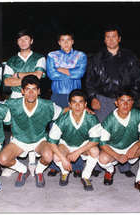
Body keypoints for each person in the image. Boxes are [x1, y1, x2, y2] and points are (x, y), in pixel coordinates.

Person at [85, 24, 140, 177]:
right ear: (104, 40)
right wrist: (93, 97)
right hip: (103, 100)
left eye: (114, 36)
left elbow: (136, 79)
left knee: (124, 131)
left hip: (123, 100)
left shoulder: (129, 56)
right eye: (108, 37)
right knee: (100, 131)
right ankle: (98, 164)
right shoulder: (97, 57)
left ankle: (125, 166)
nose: (111, 40)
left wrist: (130, 99)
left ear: (119, 38)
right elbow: (89, 80)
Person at [0, 75, 68, 188]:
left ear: (39, 91)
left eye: (34, 89)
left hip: (39, 140)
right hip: (19, 140)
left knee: (48, 156)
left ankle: (38, 171)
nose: (31, 93)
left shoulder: (46, 106)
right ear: (22, 91)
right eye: (27, 89)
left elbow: (63, 110)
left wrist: (81, 108)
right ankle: (23, 170)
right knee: (2, 159)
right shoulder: (12, 104)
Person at [3, 30, 46, 177]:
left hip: (32, 95)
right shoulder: (11, 60)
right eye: (20, 39)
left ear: (31, 41)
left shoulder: (39, 58)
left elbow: (38, 76)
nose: (23, 42)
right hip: (15, 96)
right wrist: (29, 77)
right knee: (15, 128)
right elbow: (7, 81)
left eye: (26, 39)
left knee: (33, 126)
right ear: (17, 42)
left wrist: (17, 75)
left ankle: (33, 162)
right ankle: (13, 162)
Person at [46, 30, 87, 177]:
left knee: (76, 128)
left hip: (75, 97)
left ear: (73, 41)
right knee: (54, 128)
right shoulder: (52, 55)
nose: (66, 43)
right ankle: (54, 165)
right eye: (62, 40)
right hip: (57, 96)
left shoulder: (80, 55)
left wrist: (60, 70)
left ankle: (77, 165)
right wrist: (71, 71)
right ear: (58, 42)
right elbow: (51, 74)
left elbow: (80, 73)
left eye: (68, 39)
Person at [98, 85, 140, 194]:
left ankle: (139, 180)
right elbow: (102, 143)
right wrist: (117, 155)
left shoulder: (139, 116)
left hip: (131, 149)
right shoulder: (109, 120)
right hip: (114, 149)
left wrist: (135, 147)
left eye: (129, 101)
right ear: (116, 103)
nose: (125, 104)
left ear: (133, 102)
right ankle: (110, 171)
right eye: (122, 101)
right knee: (102, 159)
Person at [48, 89, 101, 191]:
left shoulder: (91, 118)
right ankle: (64, 172)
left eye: (80, 102)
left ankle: (86, 176)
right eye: (74, 102)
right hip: (66, 144)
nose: (77, 106)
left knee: (95, 151)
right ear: (69, 104)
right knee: (56, 155)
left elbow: (95, 140)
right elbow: (51, 141)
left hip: (83, 144)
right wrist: (64, 159)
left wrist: (78, 151)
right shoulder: (62, 119)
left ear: (85, 104)